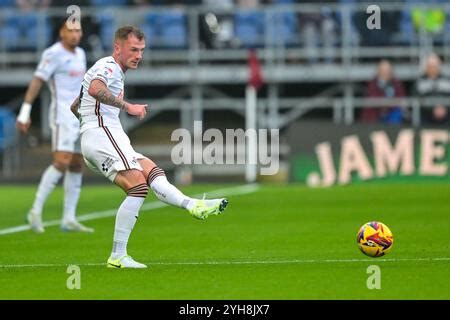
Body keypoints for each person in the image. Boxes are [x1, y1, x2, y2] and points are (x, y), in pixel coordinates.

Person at [70, 25, 228, 269]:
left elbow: (76, 104)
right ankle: (118, 256)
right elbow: (94, 89)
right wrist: (126, 107)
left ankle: (192, 205)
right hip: (102, 134)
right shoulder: (109, 66)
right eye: (133, 49)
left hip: (103, 134)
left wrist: (87, 122)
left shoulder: (110, 69)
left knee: (151, 171)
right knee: (137, 187)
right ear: (117, 48)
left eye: (141, 50)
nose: (138, 56)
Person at [16, 19, 93, 233]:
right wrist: (25, 111)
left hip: (79, 115)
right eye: (71, 31)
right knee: (61, 161)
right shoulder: (53, 53)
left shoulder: (81, 54)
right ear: (61, 32)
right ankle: (35, 210)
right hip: (61, 115)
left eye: (78, 31)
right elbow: (37, 81)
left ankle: (68, 217)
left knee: (77, 163)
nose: (75, 35)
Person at [360, 60, 407, 124]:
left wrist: (388, 104)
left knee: (397, 113)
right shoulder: (372, 84)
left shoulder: (396, 84)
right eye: (383, 70)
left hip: (391, 112)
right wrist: (386, 103)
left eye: (387, 70)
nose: (385, 72)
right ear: (378, 71)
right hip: (377, 112)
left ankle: (394, 131)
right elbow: (374, 99)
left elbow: (400, 98)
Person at [414, 53, 450, 124]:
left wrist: (445, 108)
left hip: (447, 117)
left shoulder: (447, 80)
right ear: (426, 67)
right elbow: (416, 99)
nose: (433, 68)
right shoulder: (419, 82)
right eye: (431, 66)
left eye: (435, 66)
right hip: (426, 118)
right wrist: (433, 109)